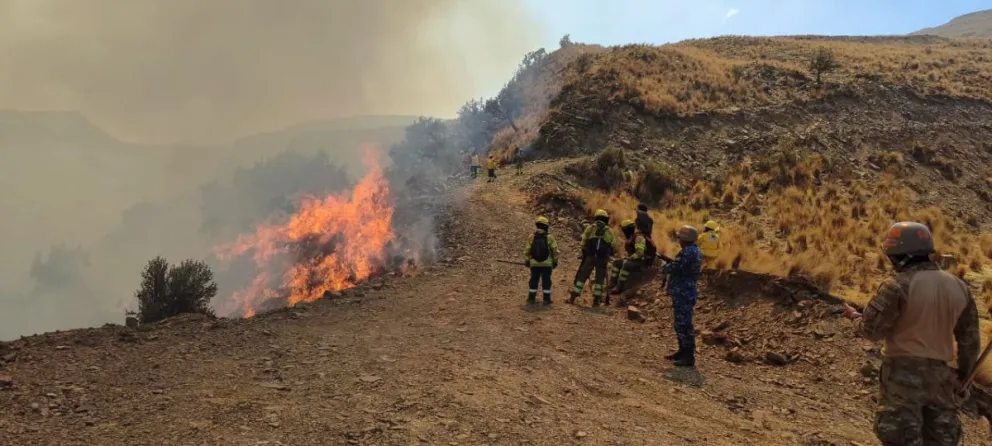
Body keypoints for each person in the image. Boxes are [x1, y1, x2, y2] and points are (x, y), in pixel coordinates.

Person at [842, 221, 980, 446]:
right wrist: (963, 376)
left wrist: (854, 317)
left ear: (899, 255)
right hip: (941, 378)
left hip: (901, 376)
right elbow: (970, 342)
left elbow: (872, 331)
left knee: (900, 438)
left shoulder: (896, 285)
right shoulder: (960, 287)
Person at [662, 225, 703, 367]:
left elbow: (675, 268)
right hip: (684, 291)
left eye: (680, 238)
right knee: (680, 323)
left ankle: (688, 357)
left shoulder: (688, 253)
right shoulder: (693, 251)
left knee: (684, 324)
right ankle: (682, 351)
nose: (679, 240)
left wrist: (667, 266)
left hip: (683, 292)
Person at [568, 209, 615, 307]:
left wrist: (585, 250)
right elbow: (612, 243)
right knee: (600, 280)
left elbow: (584, 240)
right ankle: (596, 301)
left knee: (583, 276)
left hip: (590, 256)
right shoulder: (609, 231)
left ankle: (573, 297)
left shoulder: (591, 228)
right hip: (602, 259)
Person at [608, 219, 657, 303]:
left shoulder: (639, 237)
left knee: (626, 264)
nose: (623, 232)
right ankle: (612, 283)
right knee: (616, 263)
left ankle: (619, 287)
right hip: (636, 260)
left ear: (628, 229)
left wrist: (630, 258)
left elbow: (640, 253)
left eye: (624, 229)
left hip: (643, 262)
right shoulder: (631, 237)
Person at [524, 216, 560, 305]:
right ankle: (546, 300)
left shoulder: (531, 236)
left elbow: (527, 250)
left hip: (534, 264)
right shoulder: (550, 237)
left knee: (533, 281)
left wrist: (528, 260)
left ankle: (531, 298)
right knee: (546, 281)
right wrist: (555, 261)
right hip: (547, 265)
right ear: (546, 226)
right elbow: (555, 250)